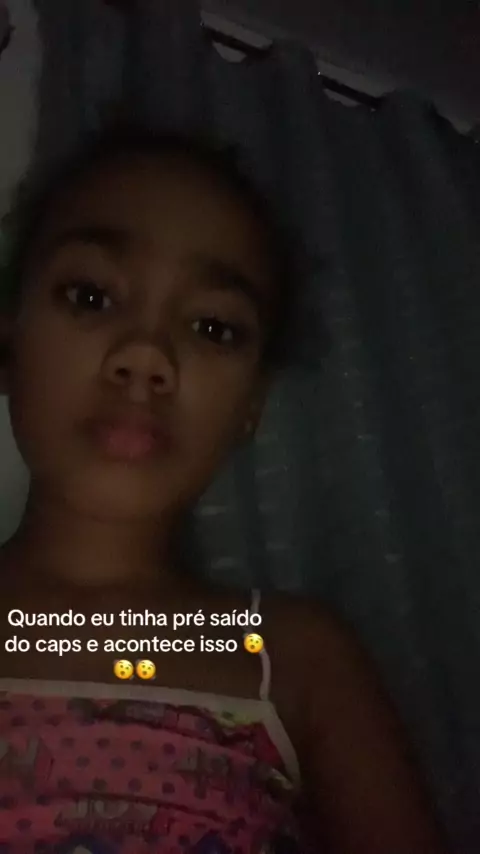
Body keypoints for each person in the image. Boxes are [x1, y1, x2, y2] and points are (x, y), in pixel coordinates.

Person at [0, 127, 448, 853]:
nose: (146, 354)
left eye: (213, 327)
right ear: (9, 343)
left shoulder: (297, 658)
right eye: (90, 295)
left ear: (251, 406)